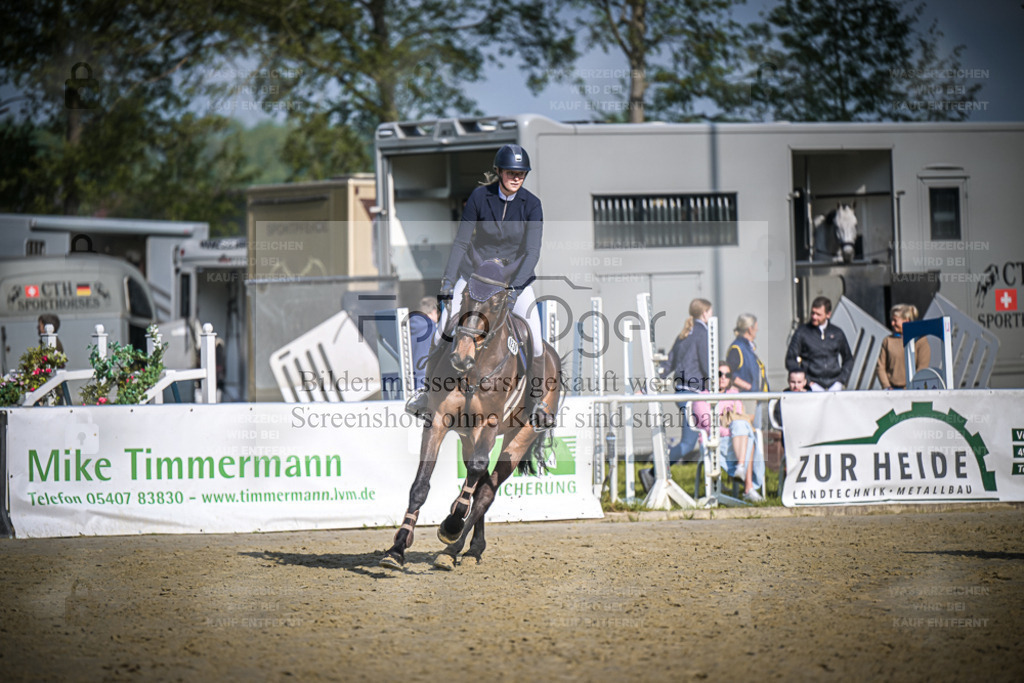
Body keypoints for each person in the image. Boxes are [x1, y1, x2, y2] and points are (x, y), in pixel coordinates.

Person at [405, 144, 554, 428]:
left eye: (521, 174)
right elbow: (462, 242)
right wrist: (448, 282)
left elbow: (532, 253)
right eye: (511, 172)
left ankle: (536, 403)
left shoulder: (531, 204)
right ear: (499, 172)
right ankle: (426, 395)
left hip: (513, 280)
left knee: (535, 339)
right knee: (443, 328)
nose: (516, 178)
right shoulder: (480, 197)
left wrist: (515, 290)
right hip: (475, 276)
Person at [640, 299, 713, 492]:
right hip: (693, 393)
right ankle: (654, 472)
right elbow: (707, 366)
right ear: (705, 313)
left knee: (694, 440)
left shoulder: (684, 333)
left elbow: (668, 363)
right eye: (710, 312)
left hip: (681, 391)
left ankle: (657, 472)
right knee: (689, 443)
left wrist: (647, 386)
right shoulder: (703, 333)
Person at [692, 362, 764, 502]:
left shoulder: (734, 394)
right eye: (719, 374)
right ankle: (748, 486)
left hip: (735, 438)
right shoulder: (702, 397)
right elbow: (708, 426)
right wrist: (730, 431)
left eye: (727, 375)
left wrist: (732, 428)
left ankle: (741, 468)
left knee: (742, 427)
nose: (723, 378)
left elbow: (738, 417)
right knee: (746, 436)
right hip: (714, 440)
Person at [785, 296, 853, 391]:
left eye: (818, 314)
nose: (814, 317)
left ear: (828, 314)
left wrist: (840, 381)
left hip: (834, 385)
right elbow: (790, 359)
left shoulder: (837, 333)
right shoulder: (802, 332)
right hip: (811, 386)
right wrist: (807, 382)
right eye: (812, 313)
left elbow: (848, 359)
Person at [876, 303, 931, 389]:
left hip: (912, 390)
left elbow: (922, 368)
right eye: (891, 320)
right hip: (891, 391)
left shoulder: (920, 341)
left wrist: (910, 387)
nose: (892, 323)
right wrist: (887, 387)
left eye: (895, 320)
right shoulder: (887, 341)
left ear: (907, 320)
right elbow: (880, 367)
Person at [409, 296, 439, 391]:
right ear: (434, 311)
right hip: (422, 383)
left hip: (405, 381)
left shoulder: (406, 326)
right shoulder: (431, 328)